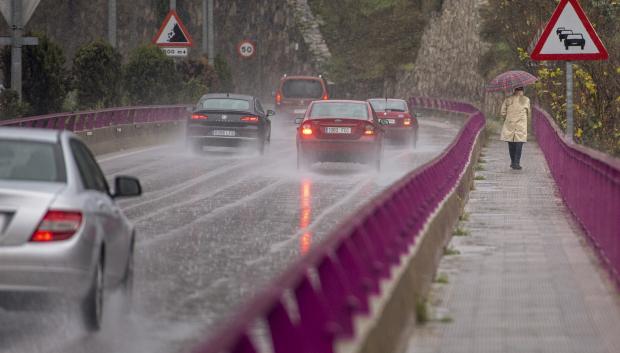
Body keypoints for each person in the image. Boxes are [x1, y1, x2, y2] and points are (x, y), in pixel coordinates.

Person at [500, 87, 530, 170]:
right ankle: (517, 162)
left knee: (511, 143)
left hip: (510, 124)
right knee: (519, 143)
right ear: (522, 91)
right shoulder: (526, 100)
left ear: (515, 90)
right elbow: (528, 113)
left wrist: (508, 117)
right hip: (521, 125)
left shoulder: (508, 99)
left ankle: (512, 162)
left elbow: (502, 113)